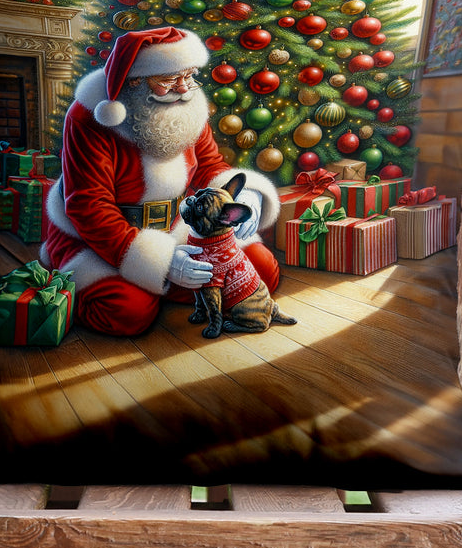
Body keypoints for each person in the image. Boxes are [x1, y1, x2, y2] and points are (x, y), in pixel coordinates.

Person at [40, 26, 281, 335]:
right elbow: (89, 208)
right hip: (101, 238)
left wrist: (245, 195)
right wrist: (162, 263)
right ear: (135, 81)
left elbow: (209, 166)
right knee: (127, 313)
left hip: (178, 224)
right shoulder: (90, 117)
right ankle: (146, 288)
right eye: (169, 79)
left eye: (190, 75)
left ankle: (168, 287)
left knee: (261, 270)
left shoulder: (188, 104)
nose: (184, 88)